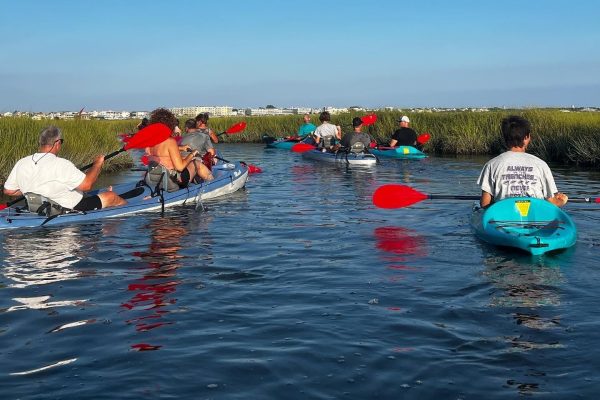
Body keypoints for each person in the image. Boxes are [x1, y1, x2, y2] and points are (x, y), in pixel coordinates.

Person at [3, 126, 126, 211]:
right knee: (111, 197)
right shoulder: (62, 164)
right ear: (57, 143)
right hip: (66, 209)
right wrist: (97, 164)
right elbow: (87, 185)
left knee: (84, 192)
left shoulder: (22, 162)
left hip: (35, 207)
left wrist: (32, 188)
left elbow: (9, 191)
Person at [477, 115, 568, 208]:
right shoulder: (541, 165)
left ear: (504, 138)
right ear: (527, 137)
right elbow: (551, 203)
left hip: (505, 216)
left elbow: (484, 204)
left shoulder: (491, 165)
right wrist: (562, 201)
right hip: (536, 216)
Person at [144, 108, 212, 190]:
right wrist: (192, 154)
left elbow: (162, 152)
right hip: (172, 180)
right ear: (170, 124)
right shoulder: (170, 141)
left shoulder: (150, 141)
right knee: (196, 163)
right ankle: (213, 185)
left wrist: (181, 148)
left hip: (154, 179)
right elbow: (180, 167)